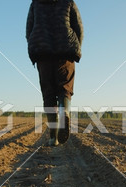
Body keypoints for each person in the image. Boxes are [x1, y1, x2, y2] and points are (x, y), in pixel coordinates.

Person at [26, 0, 83, 146]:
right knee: (65, 88)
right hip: (65, 53)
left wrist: (35, 45)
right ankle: (65, 113)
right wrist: (75, 46)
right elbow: (79, 27)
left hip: (43, 54)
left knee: (48, 94)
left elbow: (29, 29)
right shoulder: (68, 2)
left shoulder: (36, 3)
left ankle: (53, 137)